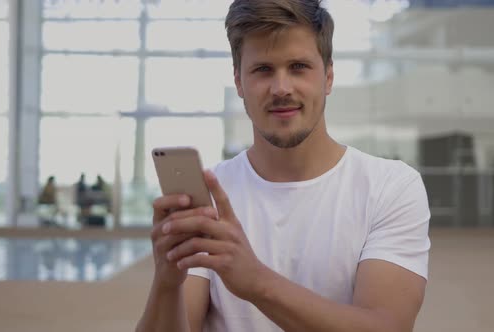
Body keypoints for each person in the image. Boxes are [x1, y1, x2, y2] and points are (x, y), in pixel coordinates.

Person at [137, 1, 430, 331]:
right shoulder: (212, 195)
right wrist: (166, 282)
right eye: (262, 70)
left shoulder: (389, 187)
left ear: (328, 77)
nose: (281, 88)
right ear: (238, 82)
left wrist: (256, 282)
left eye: (298, 66)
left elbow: (386, 326)